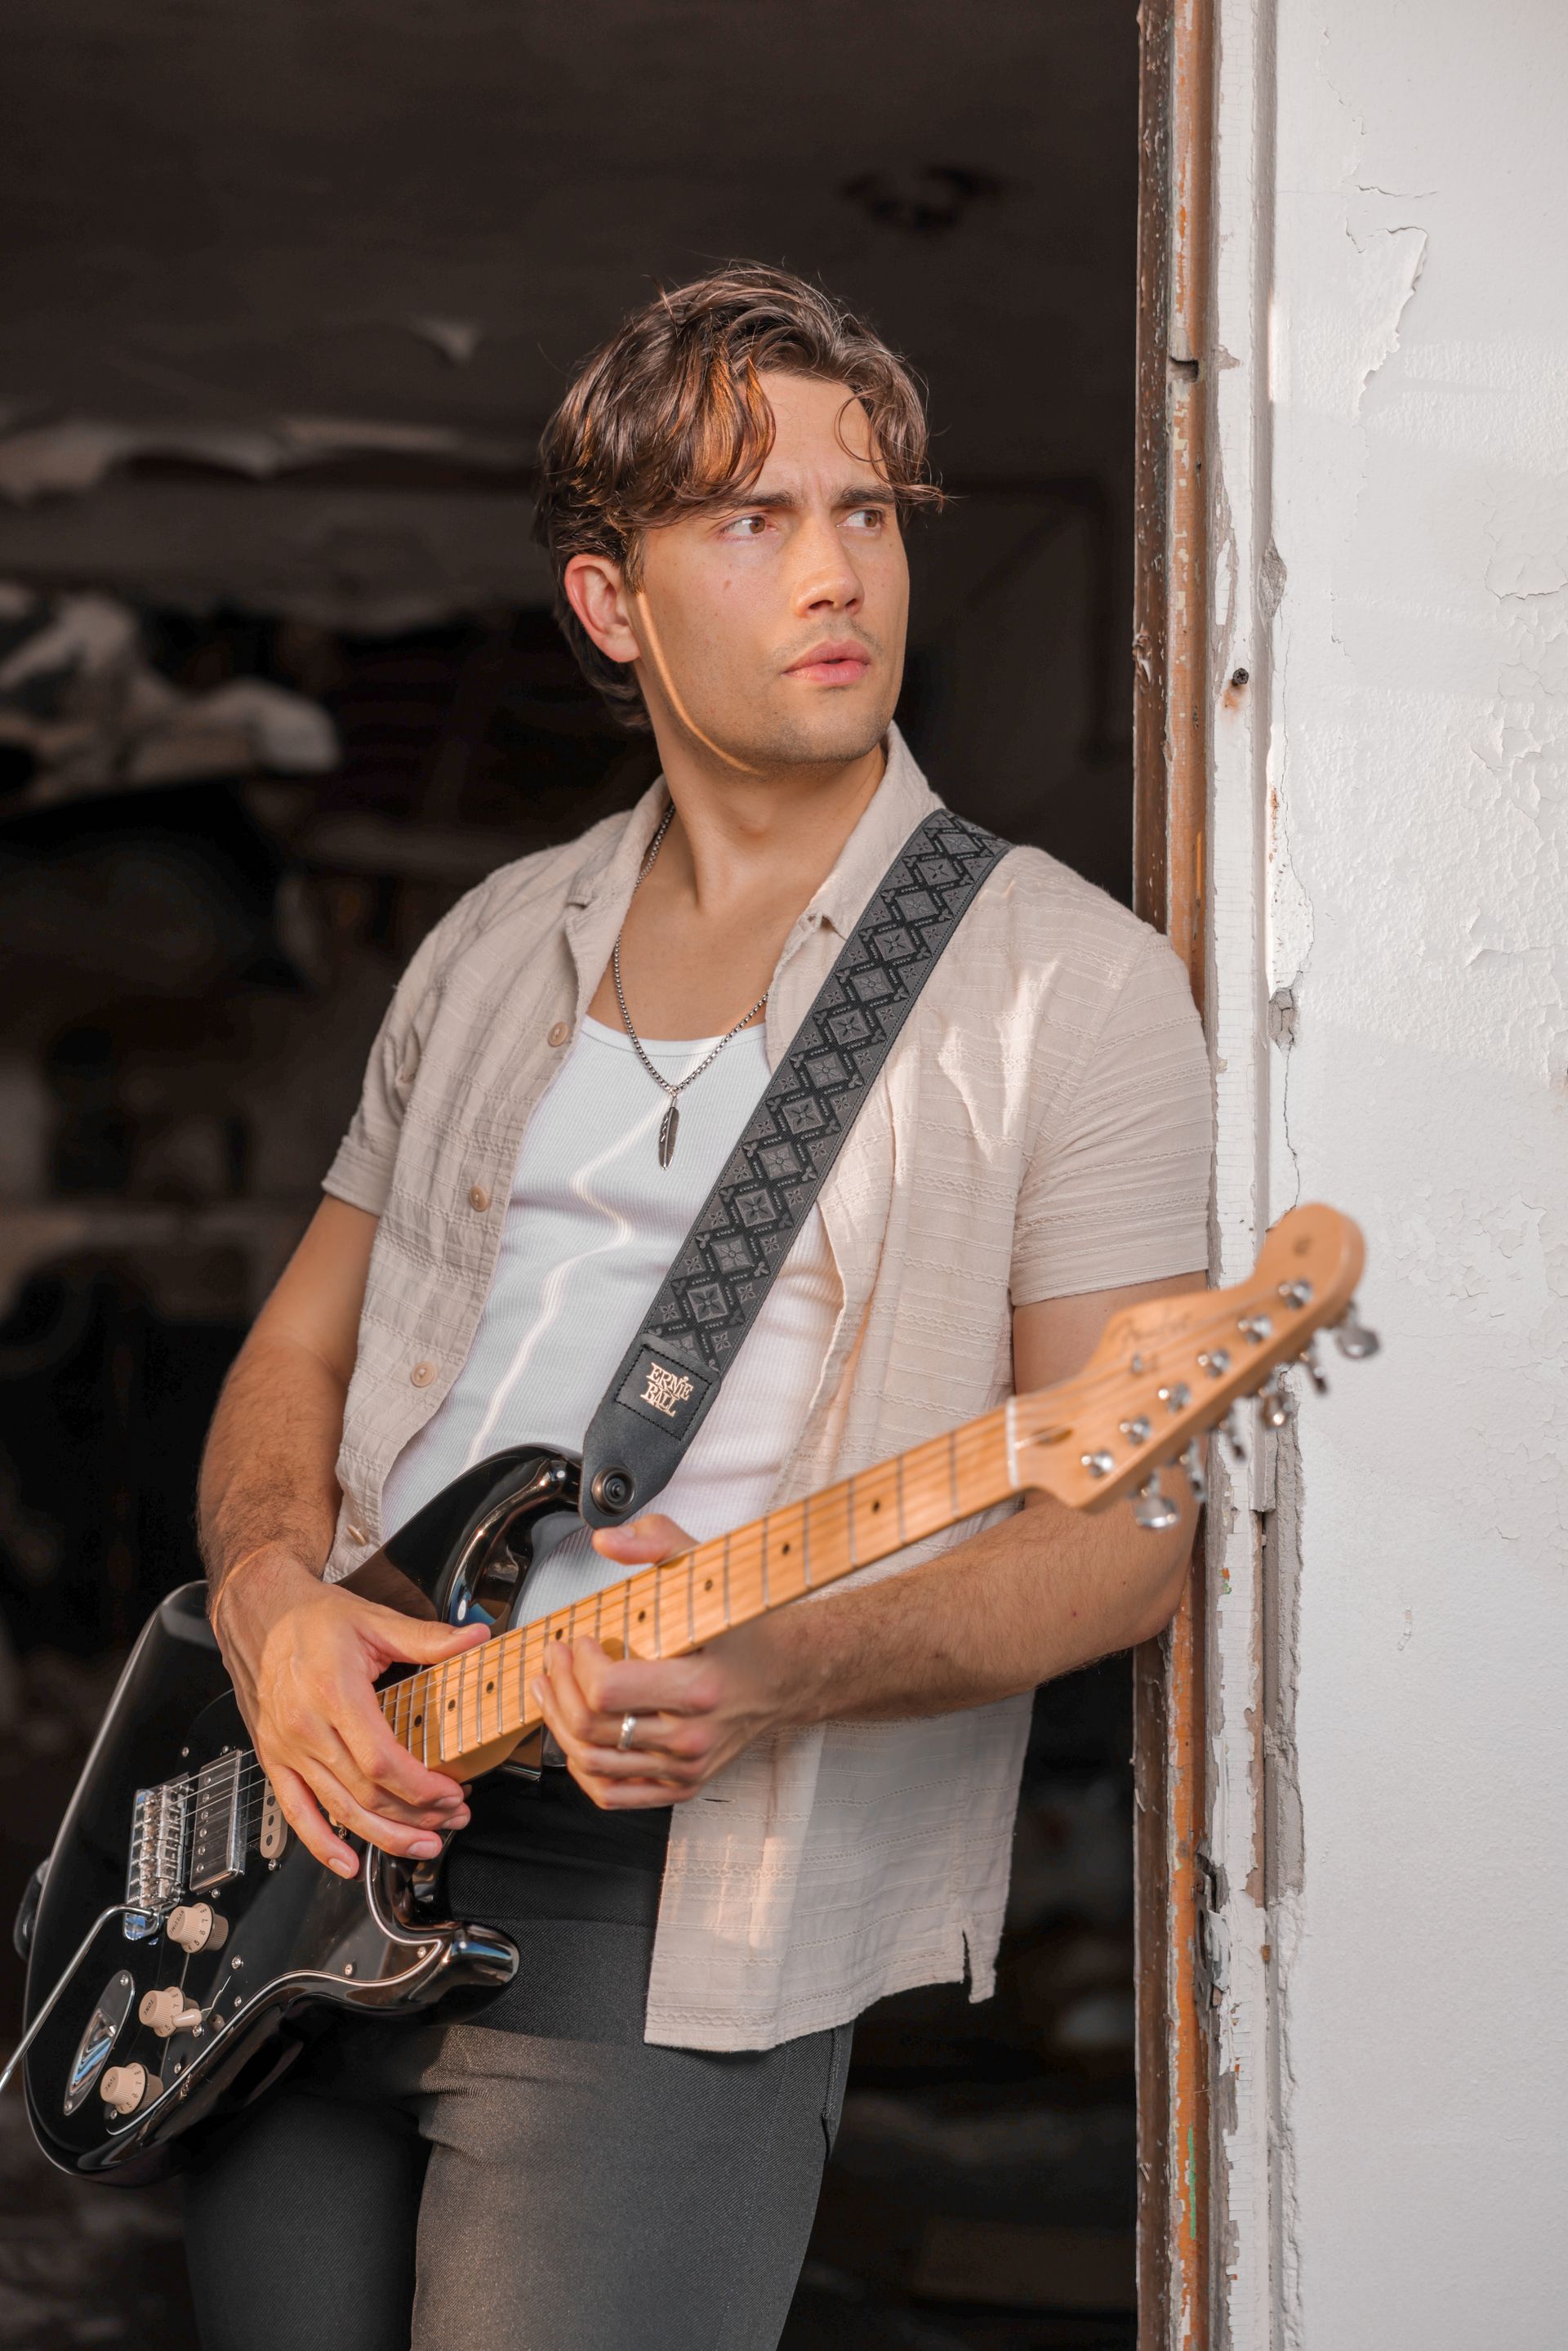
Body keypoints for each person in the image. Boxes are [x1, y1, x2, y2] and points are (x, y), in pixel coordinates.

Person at [186, 264, 1211, 2351]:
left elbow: (1122, 1536)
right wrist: (273, 1602)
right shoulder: (490, 942)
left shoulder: (1065, 985)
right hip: (320, 1823)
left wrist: (782, 1661)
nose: (838, 566)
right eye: (753, 518)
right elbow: (296, 1347)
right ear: (611, 602)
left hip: (674, 1913)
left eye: (868, 509)